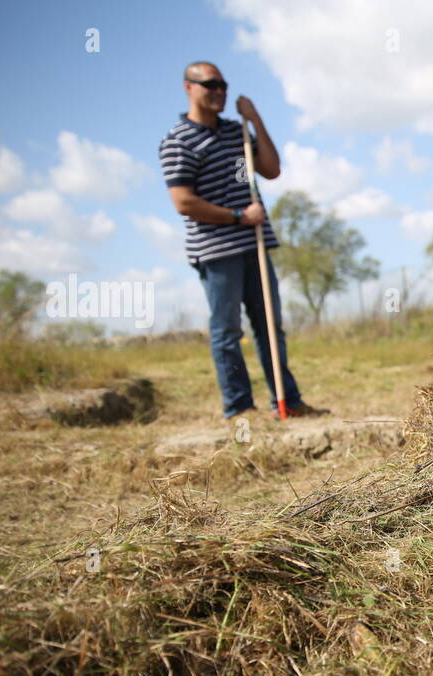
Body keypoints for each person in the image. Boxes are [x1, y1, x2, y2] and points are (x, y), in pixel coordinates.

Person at [158, 61, 317, 420]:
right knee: (228, 330)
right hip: (217, 250)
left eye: (223, 85)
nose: (218, 91)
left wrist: (255, 117)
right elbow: (183, 201)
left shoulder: (236, 133)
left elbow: (272, 169)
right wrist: (237, 217)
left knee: (270, 326)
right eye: (209, 85)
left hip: (255, 244)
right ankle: (239, 408)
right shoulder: (177, 141)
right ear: (188, 87)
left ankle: (287, 401)